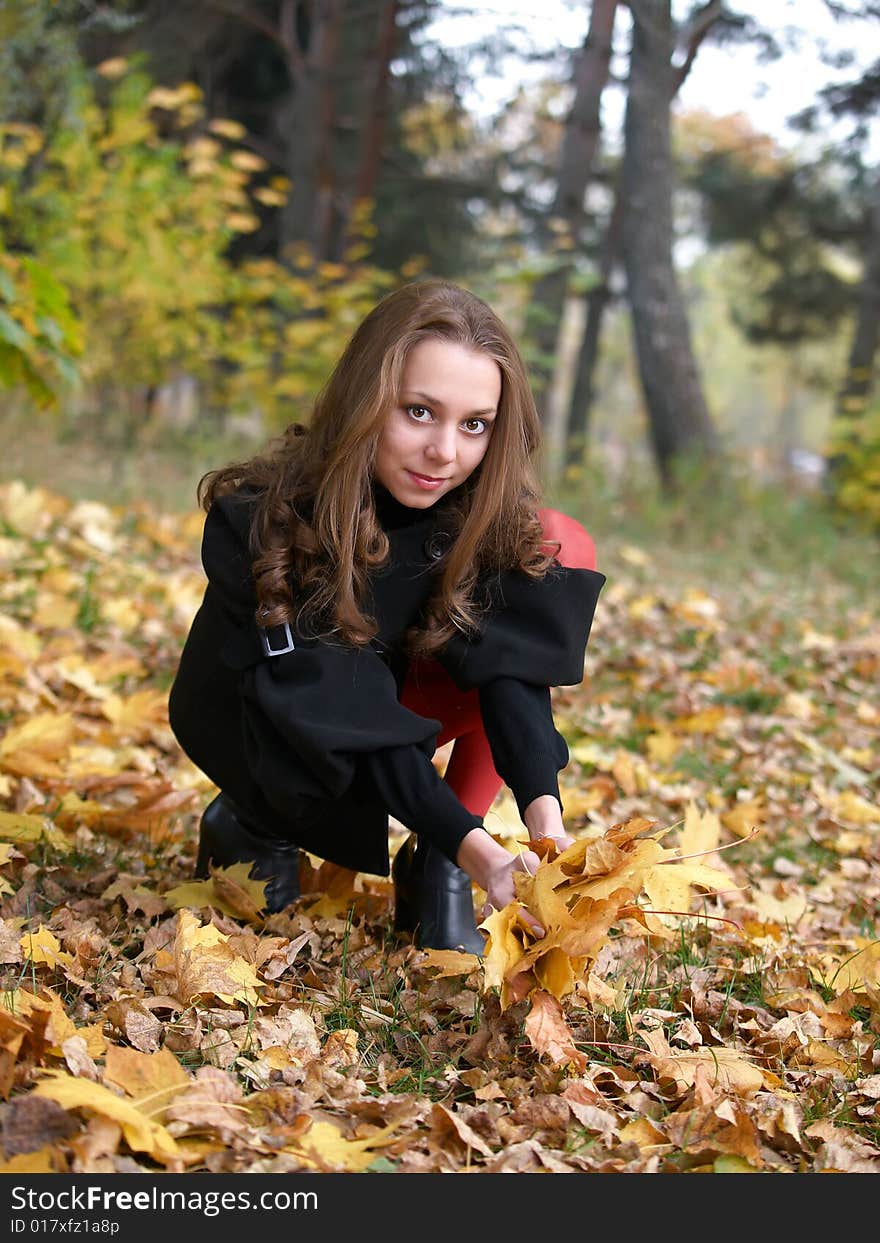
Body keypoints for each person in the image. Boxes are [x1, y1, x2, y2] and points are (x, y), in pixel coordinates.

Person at [168, 279, 605, 956]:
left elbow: (513, 669)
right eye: (419, 411)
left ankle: (439, 860)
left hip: (387, 699)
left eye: (474, 424)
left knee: (552, 547)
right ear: (366, 400)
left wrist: (543, 822)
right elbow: (343, 708)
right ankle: (251, 821)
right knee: (286, 781)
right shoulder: (268, 519)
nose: (445, 453)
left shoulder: (470, 513)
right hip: (264, 721)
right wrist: (479, 849)